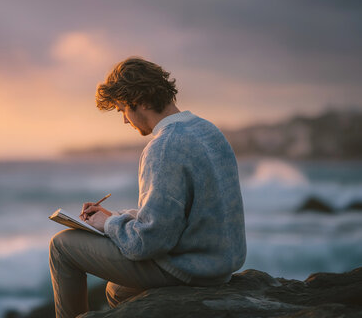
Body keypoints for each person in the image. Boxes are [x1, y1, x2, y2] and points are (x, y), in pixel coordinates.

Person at [49, 57, 246, 318]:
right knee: (119, 290)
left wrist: (108, 227)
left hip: (190, 270)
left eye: (122, 110)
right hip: (219, 264)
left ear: (140, 100)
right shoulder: (208, 130)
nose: (124, 120)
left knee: (61, 246)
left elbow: (149, 243)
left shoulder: (163, 147)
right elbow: (176, 215)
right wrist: (114, 218)